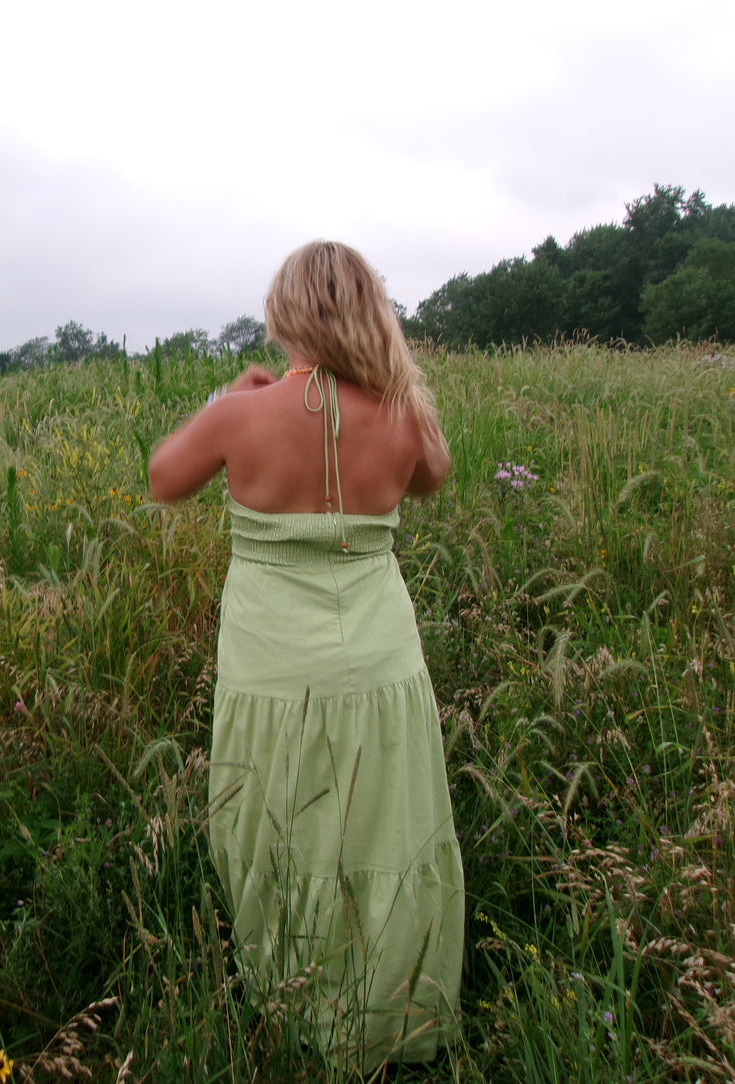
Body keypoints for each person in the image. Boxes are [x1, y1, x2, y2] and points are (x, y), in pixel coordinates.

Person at [148, 241, 464, 1070]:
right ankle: (392, 1018)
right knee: (380, 828)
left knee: (278, 826)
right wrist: (396, 386)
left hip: (270, 663)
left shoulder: (238, 416)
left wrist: (225, 398)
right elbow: (432, 479)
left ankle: (294, 1016)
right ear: (369, 310)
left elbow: (162, 479)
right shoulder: (403, 414)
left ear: (285, 315)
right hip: (379, 658)